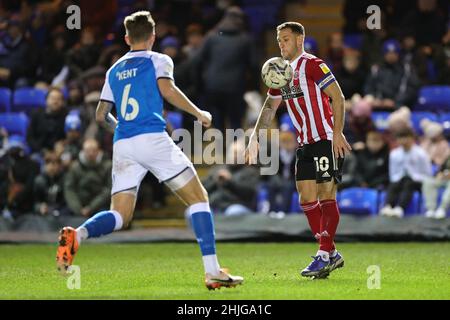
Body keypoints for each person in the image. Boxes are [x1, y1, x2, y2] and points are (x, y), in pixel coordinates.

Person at [56, 11, 243, 290]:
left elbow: (100, 115)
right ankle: (213, 270)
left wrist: (121, 128)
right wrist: (198, 112)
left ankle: (79, 234)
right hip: (153, 138)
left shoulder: (114, 69)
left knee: (120, 216)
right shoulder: (159, 60)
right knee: (199, 198)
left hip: (123, 143)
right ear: (153, 36)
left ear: (127, 37)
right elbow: (167, 90)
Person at [246, 22, 352, 279]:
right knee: (306, 199)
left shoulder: (313, 65)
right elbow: (270, 107)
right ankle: (331, 253)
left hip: (325, 138)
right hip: (304, 142)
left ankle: (323, 255)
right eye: (279, 40)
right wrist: (255, 137)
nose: (281, 44)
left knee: (327, 195)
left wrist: (337, 134)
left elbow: (338, 97)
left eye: (285, 39)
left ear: (300, 39)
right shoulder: (280, 72)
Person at [380, 128, 432, 217]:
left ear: (412, 138)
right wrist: (400, 179)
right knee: (393, 184)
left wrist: (413, 177)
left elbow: (428, 174)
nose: (403, 141)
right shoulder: (394, 154)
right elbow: (393, 174)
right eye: (400, 138)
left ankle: (400, 208)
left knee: (408, 182)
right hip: (400, 181)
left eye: (406, 137)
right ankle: (388, 206)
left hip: (418, 182)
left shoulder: (421, 153)